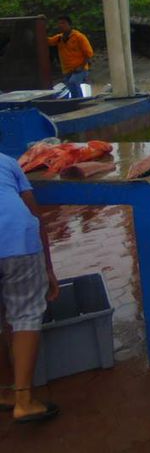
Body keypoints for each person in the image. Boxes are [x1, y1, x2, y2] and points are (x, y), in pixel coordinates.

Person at [0, 152, 60, 423]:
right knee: (25, 314)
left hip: (14, 237)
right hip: (16, 239)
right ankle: (23, 400)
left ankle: (4, 392)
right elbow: (35, 215)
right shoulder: (6, 162)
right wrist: (48, 268)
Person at [47, 16, 93, 98]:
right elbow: (48, 41)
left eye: (63, 23)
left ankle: (79, 101)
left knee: (73, 82)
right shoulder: (59, 38)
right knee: (70, 87)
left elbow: (89, 54)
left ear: (70, 25)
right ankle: (76, 102)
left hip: (79, 69)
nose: (61, 25)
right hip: (67, 70)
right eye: (59, 24)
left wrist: (81, 67)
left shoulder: (79, 37)